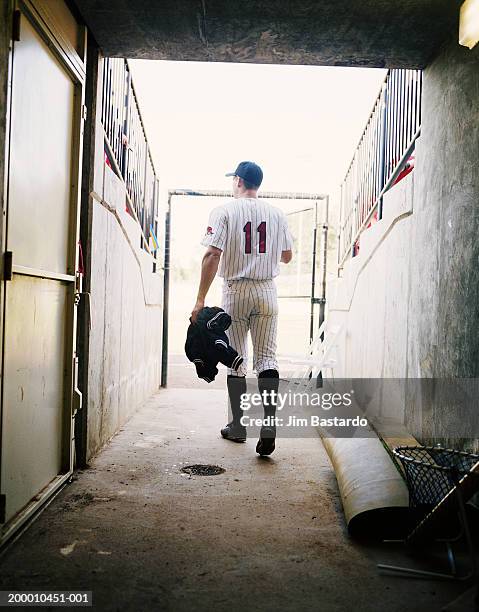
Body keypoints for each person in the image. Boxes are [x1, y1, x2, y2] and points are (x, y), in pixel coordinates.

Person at [191, 161, 293, 456]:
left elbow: (212, 254)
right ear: (257, 184)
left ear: (238, 181)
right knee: (267, 360)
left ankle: (237, 426)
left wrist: (200, 299)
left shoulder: (224, 211)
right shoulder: (276, 214)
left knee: (236, 359)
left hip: (236, 291)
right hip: (266, 290)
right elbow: (286, 257)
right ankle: (269, 424)